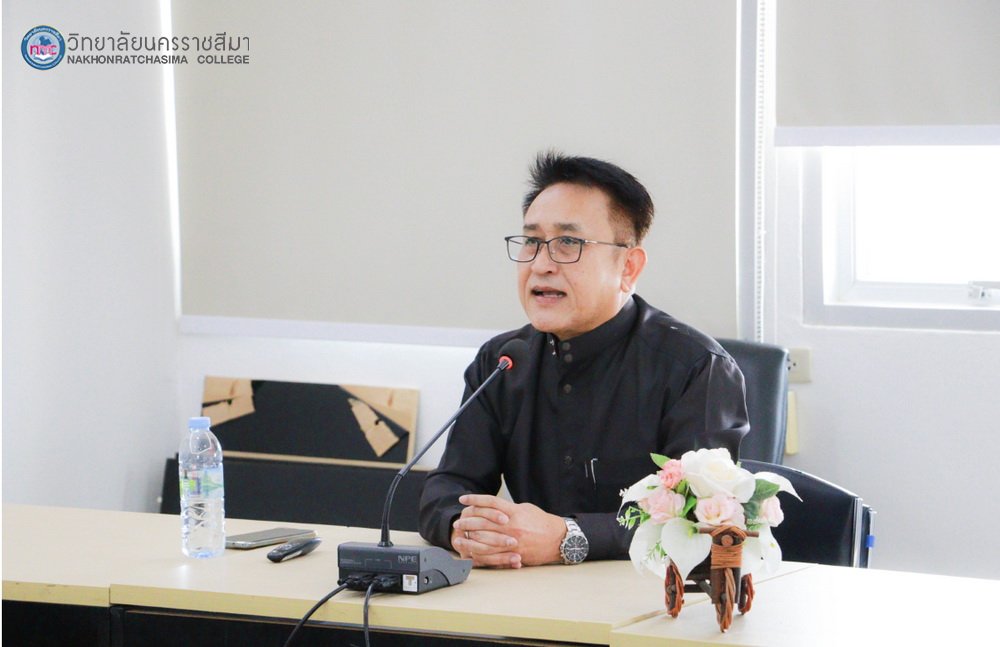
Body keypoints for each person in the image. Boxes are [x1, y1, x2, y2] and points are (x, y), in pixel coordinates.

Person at [418, 152, 749, 568]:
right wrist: (463, 528)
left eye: (568, 243)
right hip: (526, 591)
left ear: (628, 267)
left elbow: (699, 518)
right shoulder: (502, 362)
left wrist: (570, 538)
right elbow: (449, 487)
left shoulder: (696, 368)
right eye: (532, 242)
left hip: (646, 596)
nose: (541, 265)